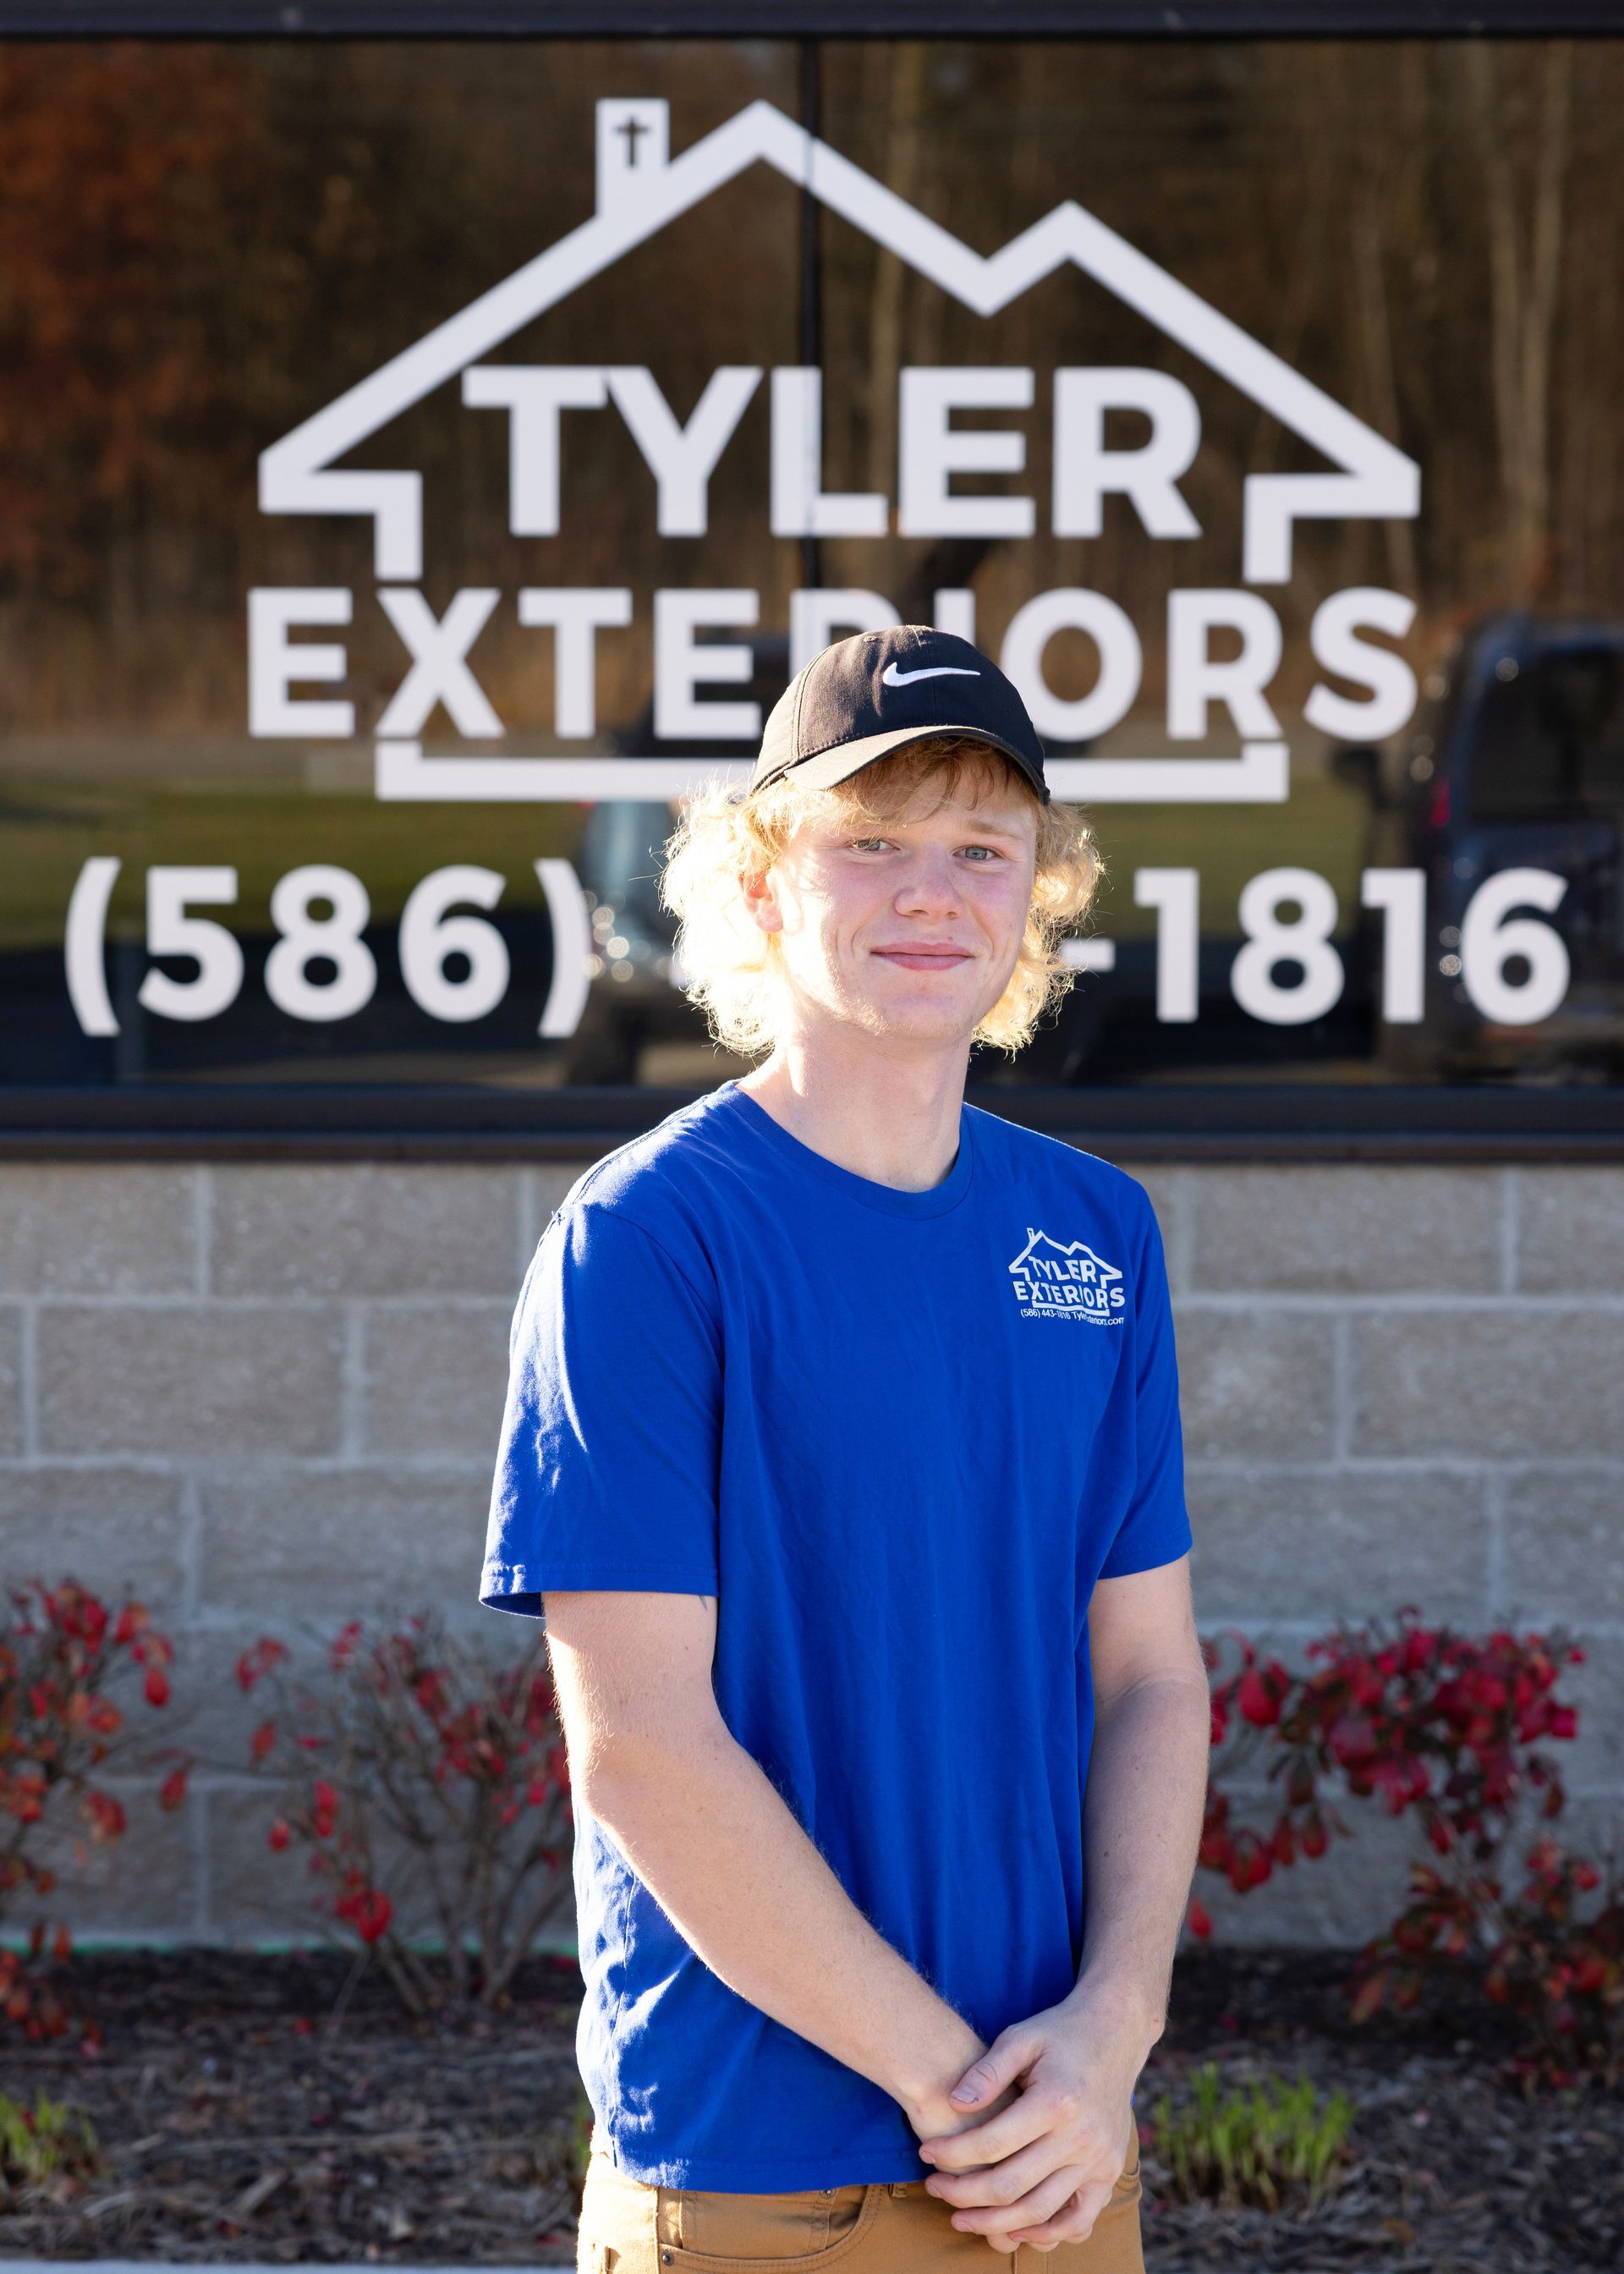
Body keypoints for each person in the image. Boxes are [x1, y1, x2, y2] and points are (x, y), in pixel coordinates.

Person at [480, 625, 1211, 2274]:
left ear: (1039, 892)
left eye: (980, 847)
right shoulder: (650, 1242)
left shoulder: (1095, 1233)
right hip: (768, 2175)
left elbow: (1152, 1675)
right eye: (868, 844)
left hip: (1056, 2157)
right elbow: (645, 1751)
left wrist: (1111, 2037)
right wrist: (964, 2094)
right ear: (757, 886)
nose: (930, 892)